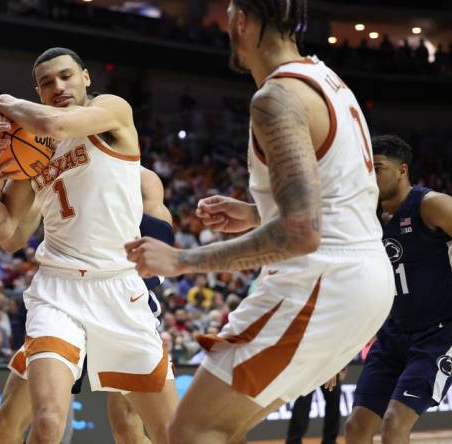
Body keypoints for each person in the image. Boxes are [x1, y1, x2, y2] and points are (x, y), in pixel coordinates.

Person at [125, 1, 395, 440]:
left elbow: (301, 232)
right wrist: (258, 214)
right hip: (359, 278)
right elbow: (335, 198)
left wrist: (180, 261)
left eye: (229, 13)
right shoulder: (327, 79)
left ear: (242, 21)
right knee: (220, 430)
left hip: (326, 280)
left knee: (192, 433)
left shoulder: (276, 98)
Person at [0, 47, 179, 439]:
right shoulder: (35, 154)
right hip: (58, 289)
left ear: (86, 77)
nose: (58, 87)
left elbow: (57, 125)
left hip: (119, 287)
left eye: (65, 76)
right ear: (39, 92)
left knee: (168, 431)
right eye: (46, 83)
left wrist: (6, 102)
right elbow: (8, 234)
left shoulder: (112, 110)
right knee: (45, 422)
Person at [345, 135, 452, 444]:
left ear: (402, 170)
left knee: (395, 424)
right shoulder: (365, 218)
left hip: (438, 332)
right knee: (355, 428)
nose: (370, 176)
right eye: (367, 168)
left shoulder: (431, 205)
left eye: (378, 168)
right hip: (392, 334)